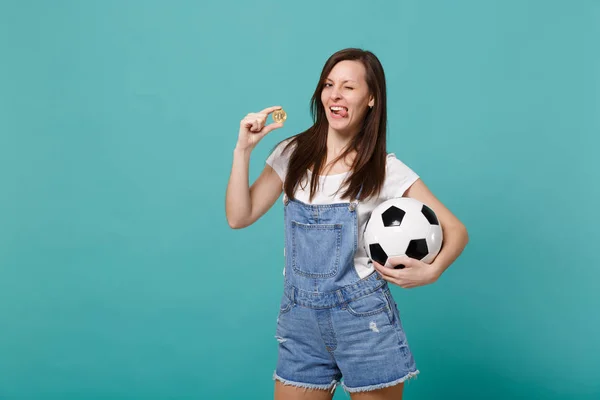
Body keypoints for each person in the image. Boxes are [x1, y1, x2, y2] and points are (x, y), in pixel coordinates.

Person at [225, 48, 469, 400]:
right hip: (300, 324)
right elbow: (238, 216)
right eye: (328, 84)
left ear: (371, 99)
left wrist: (431, 272)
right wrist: (242, 150)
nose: (335, 94)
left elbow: (457, 231)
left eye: (348, 87)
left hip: (364, 324)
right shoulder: (291, 153)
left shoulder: (384, 170)